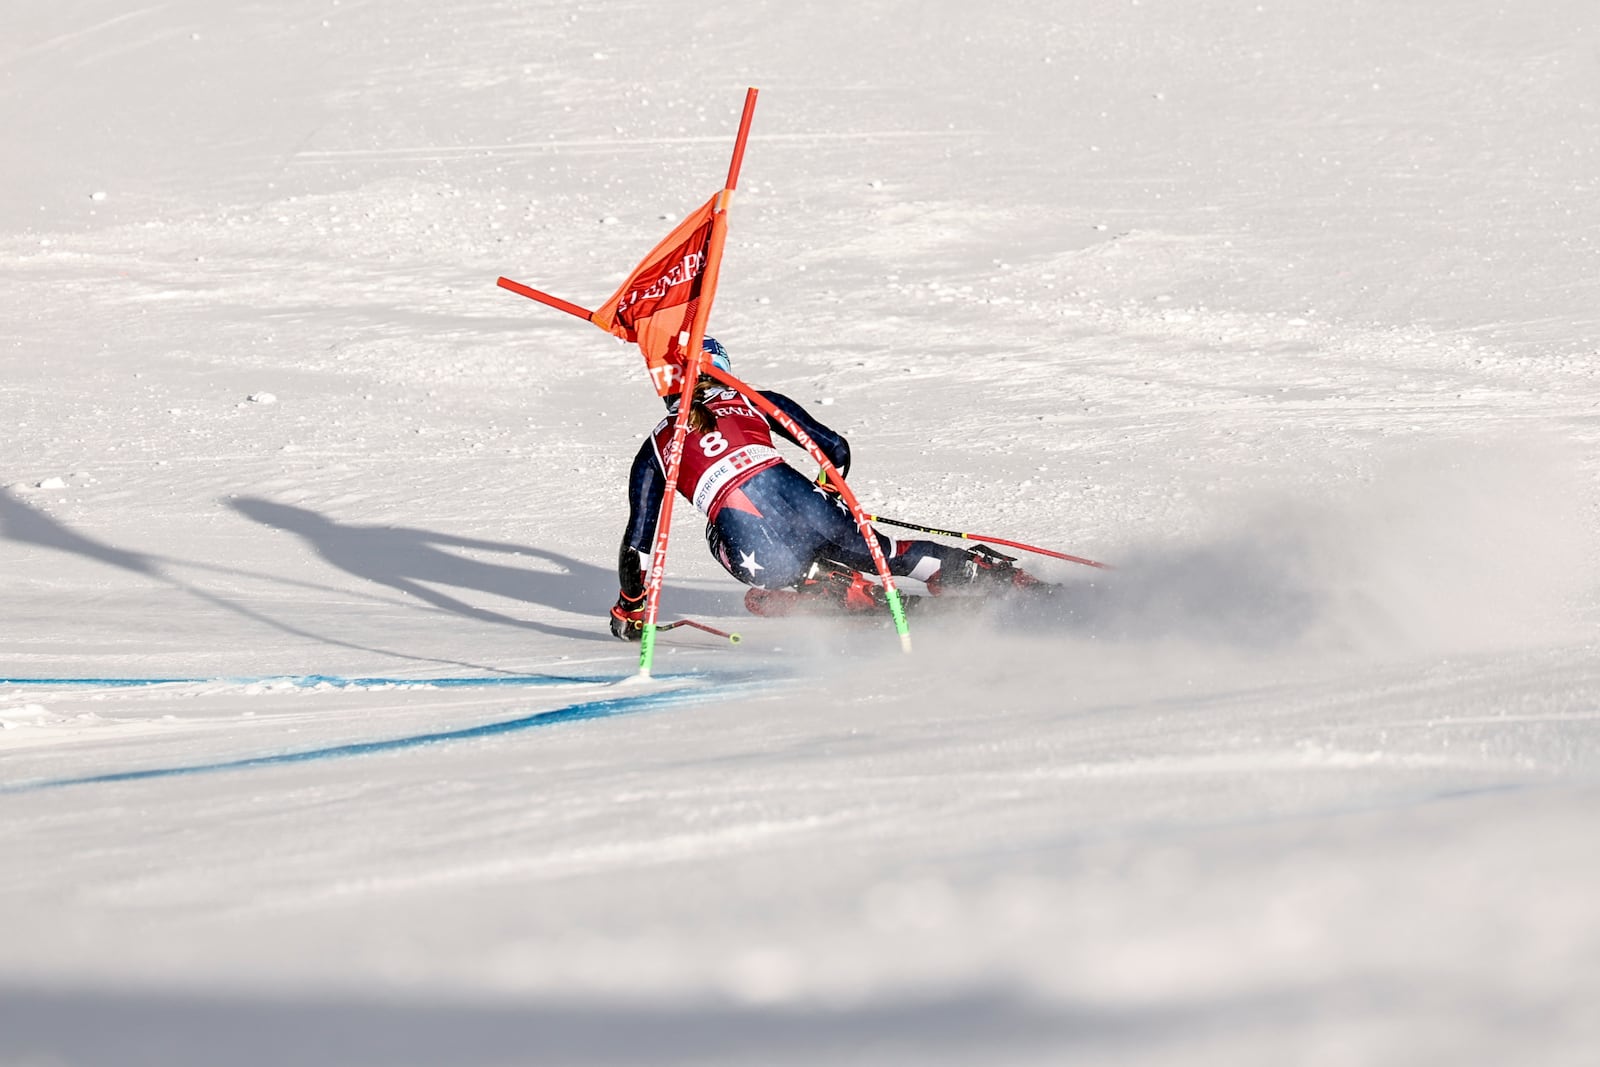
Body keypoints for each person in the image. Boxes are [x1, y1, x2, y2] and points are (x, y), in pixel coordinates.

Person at [609, 338, 1036, 640]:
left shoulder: (655, 446)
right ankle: (976, 573)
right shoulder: (754, 399)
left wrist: (631, 608)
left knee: (723, 537)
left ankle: (827, 586)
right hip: (807, 502)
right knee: (880, 551)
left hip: (757, 551)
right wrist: (824, 496)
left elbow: (638, 548)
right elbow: (835, 449)